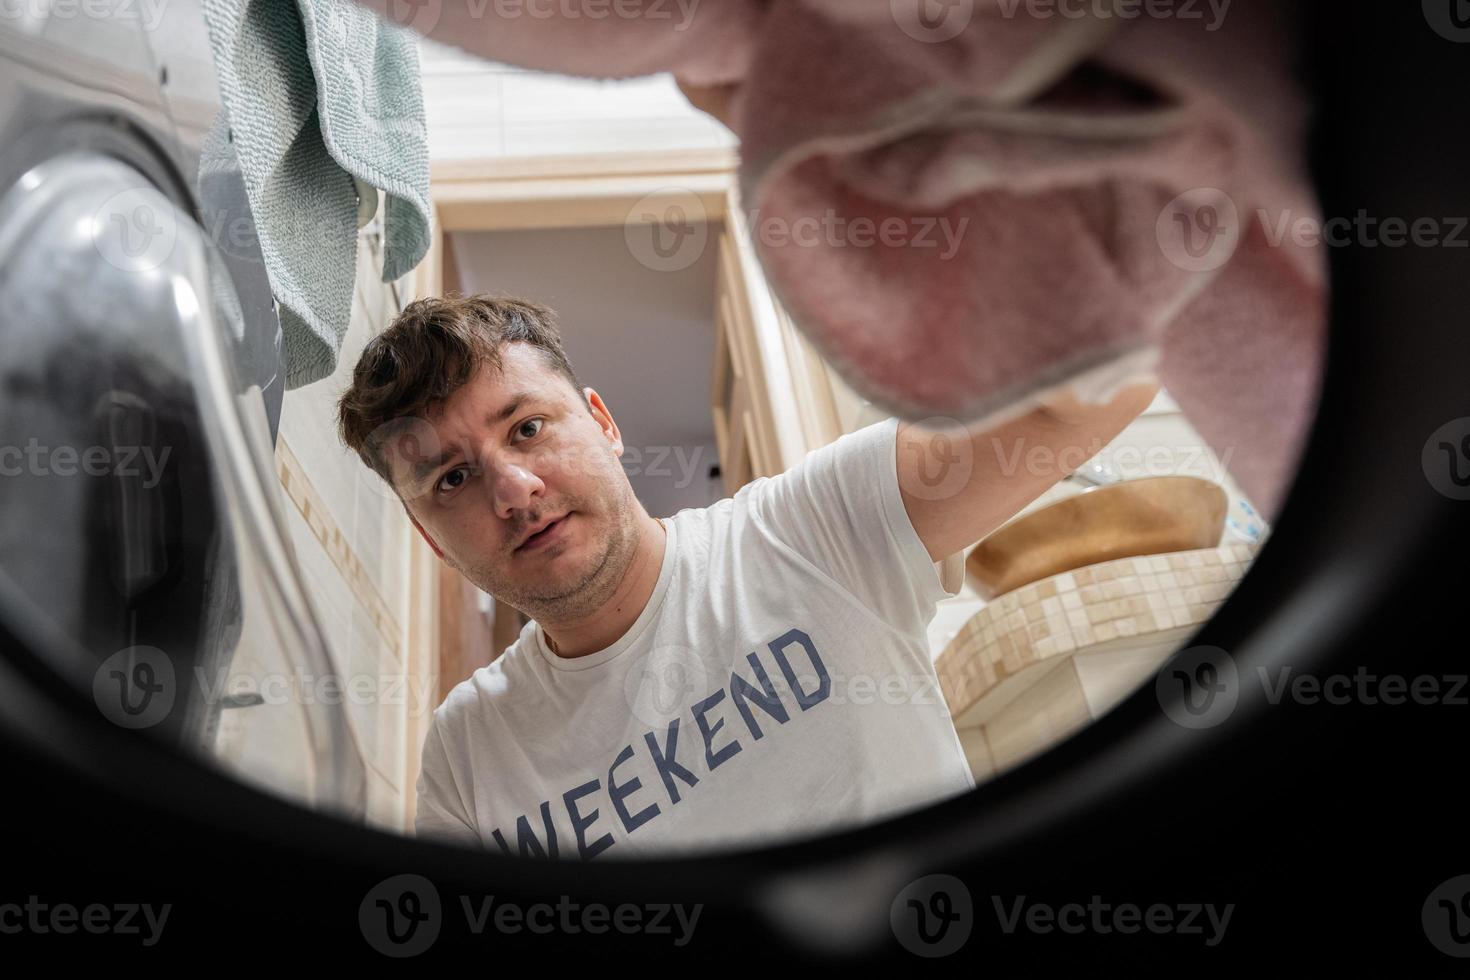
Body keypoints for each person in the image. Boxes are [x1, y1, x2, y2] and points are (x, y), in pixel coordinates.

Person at [336, 293, 1158, 859]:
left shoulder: (815, 526)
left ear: (602, 423)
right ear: (430, 539)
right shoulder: (467, 749)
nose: (513, 491)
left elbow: (1085, 396)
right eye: (450, 479)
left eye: (527, 427)